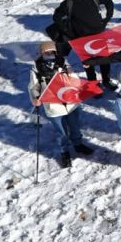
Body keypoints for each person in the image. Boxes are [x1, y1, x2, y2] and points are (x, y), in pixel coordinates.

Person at [28, 40, 93, 169]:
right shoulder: (37, 67)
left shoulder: (63, 63)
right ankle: (64, 152)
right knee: (61, 131)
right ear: (41, 53)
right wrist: (36, 98)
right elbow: (33, 86)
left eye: (51, 52)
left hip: (69, 101)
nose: (49, 54)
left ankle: (78, 144)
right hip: (53, 104)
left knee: (74, 126)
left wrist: (72, 76)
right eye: (46, 52)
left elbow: (74, 79)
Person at [50, 0, 115, 87]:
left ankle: (106, 80)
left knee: (104, 60)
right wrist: (67, 31)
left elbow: (109, 3)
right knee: (88, 64)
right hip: (81, 38)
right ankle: (93, 84)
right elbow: (56, 16)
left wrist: (107, 19)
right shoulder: (68, 3)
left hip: (99, 34)